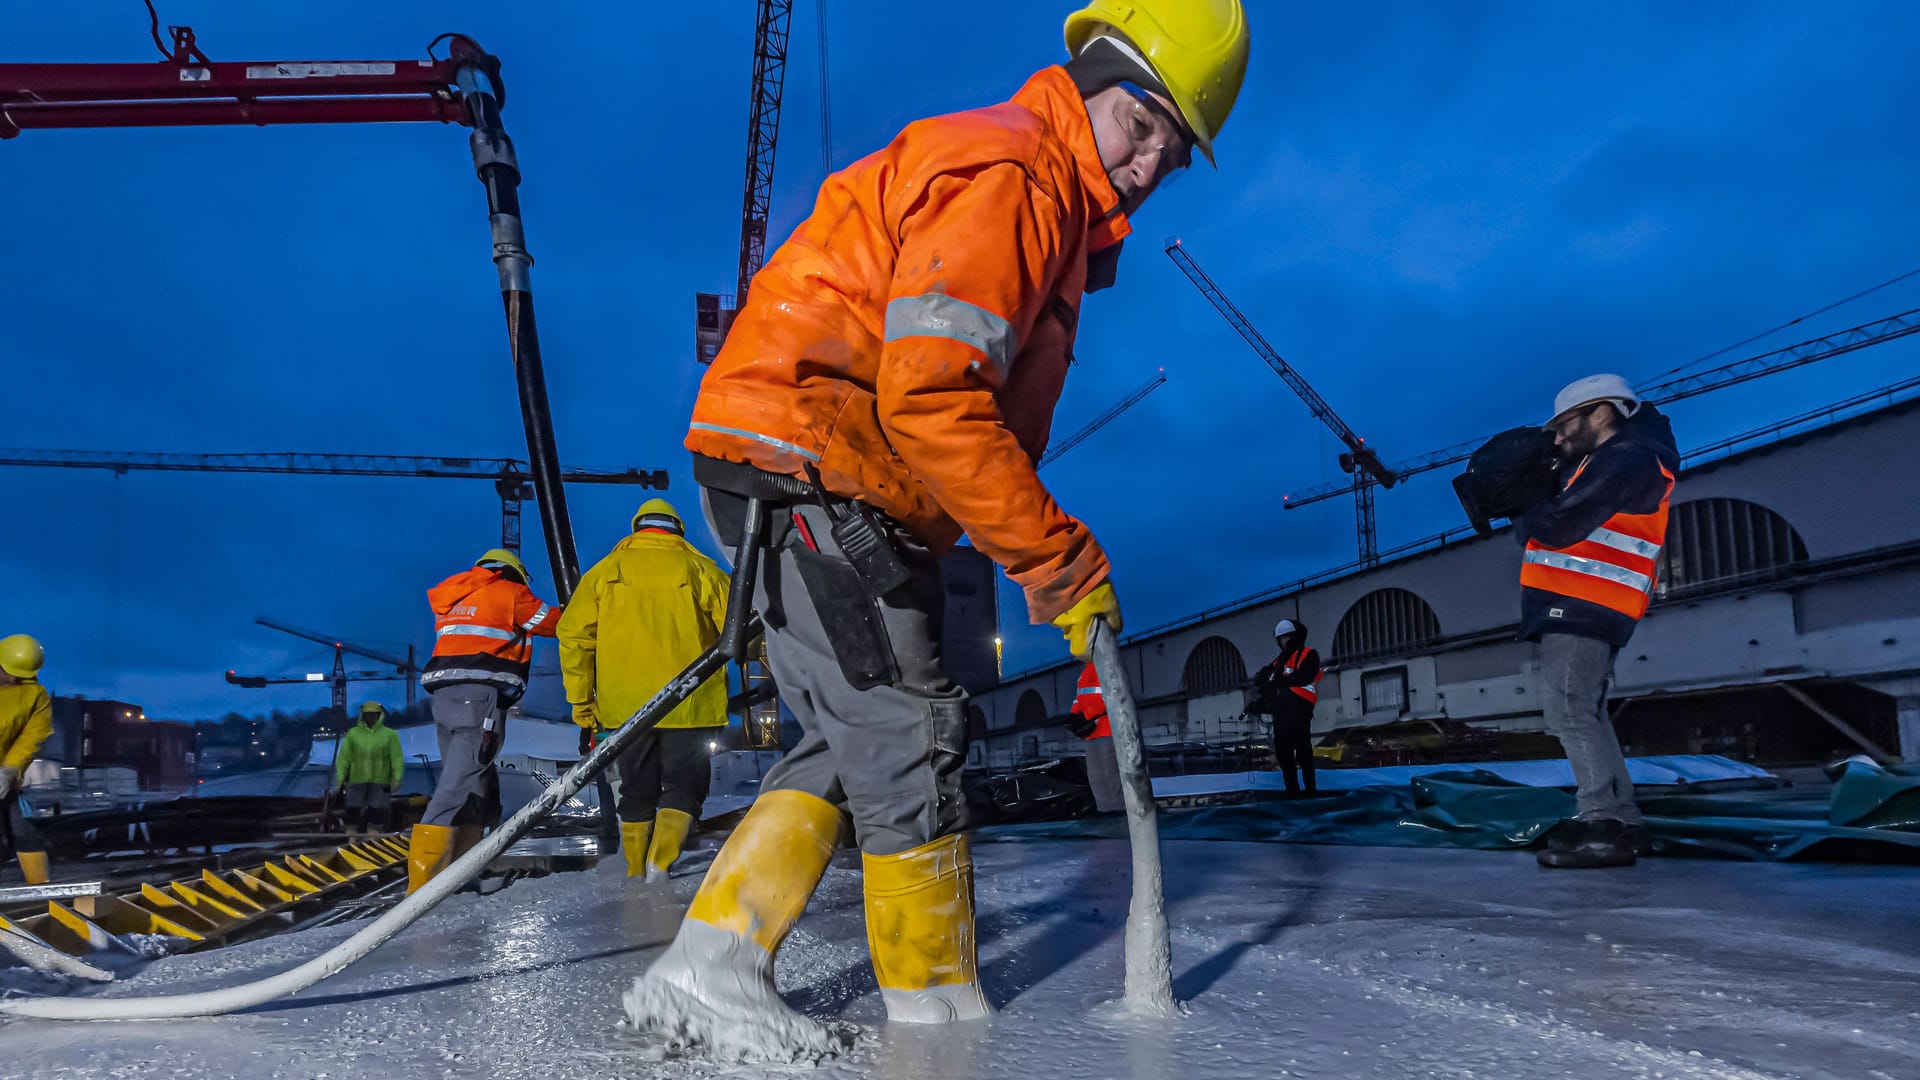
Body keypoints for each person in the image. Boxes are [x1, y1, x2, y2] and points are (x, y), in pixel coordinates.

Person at [627, 0, 1250, 1055]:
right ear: (1092, 81)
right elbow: (933, 396)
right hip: (820, 460)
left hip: (815, 462)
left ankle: (711, 964)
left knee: (846, 734)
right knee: (911, 729)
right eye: (1142, 125)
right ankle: (941, 1027)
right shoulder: (1018, 179)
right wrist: (1053, 557)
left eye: (1173, 151)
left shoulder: (1045, 196)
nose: (1150, 163)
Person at [1518, 373, 1678, 869]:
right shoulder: (1618, 460)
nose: (1559, 437)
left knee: (1567, 710)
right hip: (1593, 606)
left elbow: (1556, 525)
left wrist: (1528, 493)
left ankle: (1600, 824)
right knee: (1587, 711)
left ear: (1602, 413)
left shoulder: (1624, 458)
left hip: (1582, 605)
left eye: (1566, 425)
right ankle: (1625, 822)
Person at [559, 499, 730, 881]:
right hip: (692, 703)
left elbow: (572, 636)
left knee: (636, 791)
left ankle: (635, 867)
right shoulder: (703, 571)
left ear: (637, 529)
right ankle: (661, 864)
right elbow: (740, 631)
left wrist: (583, 704)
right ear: (678, 531)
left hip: (627, 710)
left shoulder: (603, 574)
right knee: (685, 787)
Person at [406, 548, 562, 893]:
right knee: (454, 788)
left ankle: (462, 873)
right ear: (514, 573)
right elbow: (553, 624)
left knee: (478, 787)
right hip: (479, 700)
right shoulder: (510, 593)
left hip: (445, 699)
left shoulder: (456, 597)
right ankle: (422, 886)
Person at [0, 634, 53, 886]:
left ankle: (41, 894)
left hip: (4, 781)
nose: (17, 679)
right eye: (12, 673)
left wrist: (9, 770)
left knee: (24, 834)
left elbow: (32, 736)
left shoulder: (35, 695)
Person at [1251, 619, 1321, 796]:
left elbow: (1304, 677)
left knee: (1303, 751)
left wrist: (1277, 682)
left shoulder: (1308, 654)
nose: (1285, 641)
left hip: (1300, 710)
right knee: (1284, 752)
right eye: (1282, 638)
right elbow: (1265, 679)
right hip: (1281, 712)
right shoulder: (1278, 661)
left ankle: (1310, 791)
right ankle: (1293, 792)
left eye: (1288, 637)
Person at [333, 702, 404, 836]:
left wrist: (397, 778)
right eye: (367, 715)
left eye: (373, 715)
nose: (370, 717)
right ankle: (351, 834)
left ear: (379, 715)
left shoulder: (390, 735)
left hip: (381, 779)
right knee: (352, 808)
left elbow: (396, 757)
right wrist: (341, 777)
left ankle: (373, 834)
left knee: (377, 809)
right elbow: (344, 757)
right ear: (363, 715)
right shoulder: (353, 734)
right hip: (356, 778)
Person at [1067, 662, 1125, 812]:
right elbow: (1079, 698)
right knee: (1096, 776)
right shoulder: (1084, 674)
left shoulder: (1105, 668)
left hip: (1106, 729)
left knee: (1110, 773)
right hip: (1090, 732)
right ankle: (1104, 809)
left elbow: (1110, 696)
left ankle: (1118, 810)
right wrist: (1074, 714)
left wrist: (1085, 715)